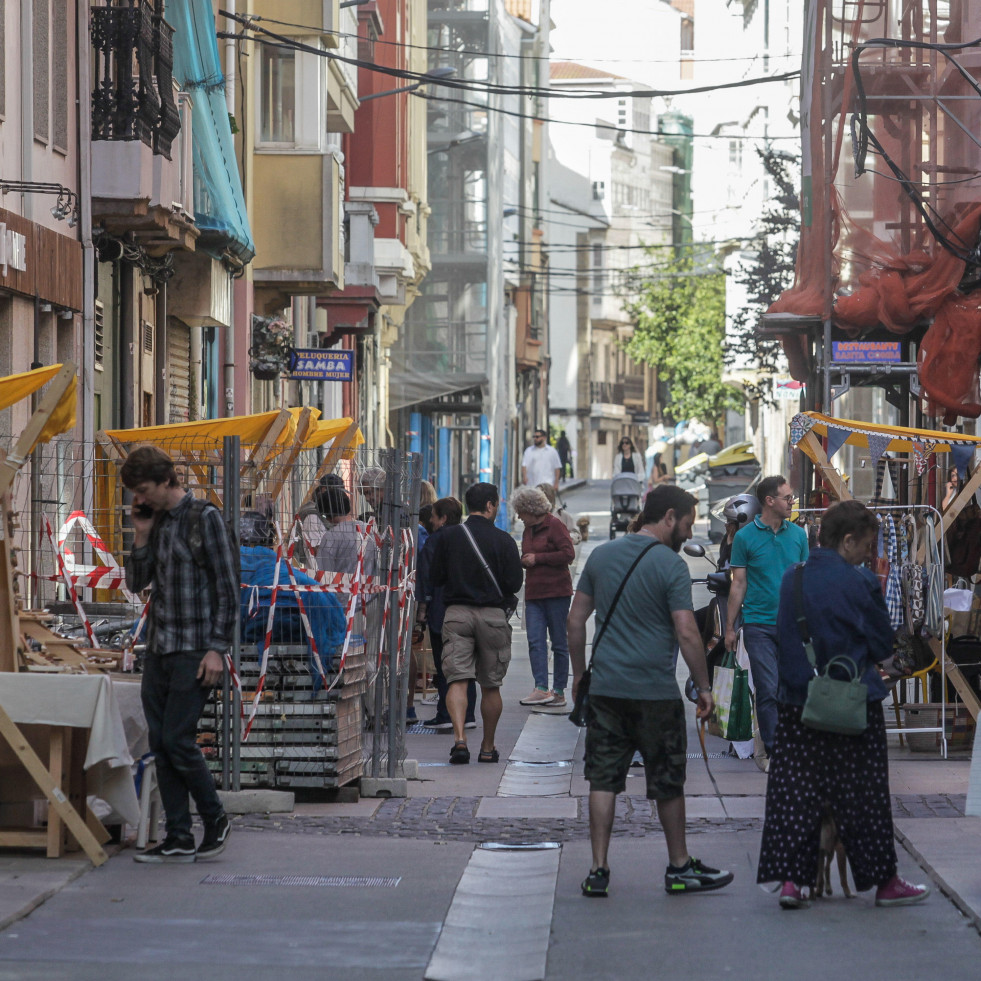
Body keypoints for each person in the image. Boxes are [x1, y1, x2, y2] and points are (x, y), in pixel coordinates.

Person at [758, 500, 931, 910]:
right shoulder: (861, 582)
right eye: (867, 545)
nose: (869, 554)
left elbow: (785, 638)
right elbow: (879, 643)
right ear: (848, 540)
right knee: (864, 795)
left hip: (800, 701)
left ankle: (791, 883)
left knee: (795, 793)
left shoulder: (791, 579)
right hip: (854, 702)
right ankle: (883, 882)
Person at [568, 484, 734, 899]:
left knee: (603, 779)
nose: (689, 530)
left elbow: (575, 621)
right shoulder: (670, 565)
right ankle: (679, 867)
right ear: (669, 517)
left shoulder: (601, 556)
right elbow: (686, 631)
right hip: (655, 693)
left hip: (606, 689)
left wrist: (577, 674)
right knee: (667, 780)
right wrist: (703, 687)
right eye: (688, 521)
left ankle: (598, 869)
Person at [122, 445, 237, 863]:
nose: (138, 498)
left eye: (143, 489)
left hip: (195, 649)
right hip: (160, 647)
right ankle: (178, 835)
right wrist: (140, 533)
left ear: (166, 481)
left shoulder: (202, 518)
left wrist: (217, 650)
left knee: (176, 738)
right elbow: (136, 582)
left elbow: (228, 587)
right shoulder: (157, 521)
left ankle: (215, 817)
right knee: (160, 742)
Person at [428, 482, 523, 764]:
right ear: (491, 505)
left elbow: (436, 579)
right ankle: (487, 747)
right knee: (491, 685)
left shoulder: (448, 537)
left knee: (457, 679)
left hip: (457, 613)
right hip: (493, 616)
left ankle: (459, 740)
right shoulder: (504, 540)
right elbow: (514, 584)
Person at [724, 475, 809, 770]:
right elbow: (738, 584)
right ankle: (775, 751)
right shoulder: (746, 537)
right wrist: (729, 628)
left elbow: (804, 581)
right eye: (787, 498)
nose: (792, 502)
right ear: (769, 501)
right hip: (758, 624)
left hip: (792, 625)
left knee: (794, 688)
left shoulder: (798, 536)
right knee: (767, 689)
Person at [416, 497, 477, 732]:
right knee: (465, 664)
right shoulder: (468, 537)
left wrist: (422, 610)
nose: (430, 520)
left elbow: (425, 577)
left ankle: (445, 713)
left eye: (433, 515)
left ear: (442, 518)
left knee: (444, 666)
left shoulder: (435, 541)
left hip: (441, 611)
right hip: (468, 609)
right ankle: (468, 713)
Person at [512, 486, 576, 708]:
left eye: (521, 512)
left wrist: (538, 558)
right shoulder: (528, 529)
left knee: (559, 642)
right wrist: (524, 560)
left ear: (531, 510)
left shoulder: (555, 525)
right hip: (534, 593)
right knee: (535, 641)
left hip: (557, 592)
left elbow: (568, 554)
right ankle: (541, 688)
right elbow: (526, 554)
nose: (519, 516)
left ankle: (558, 691)